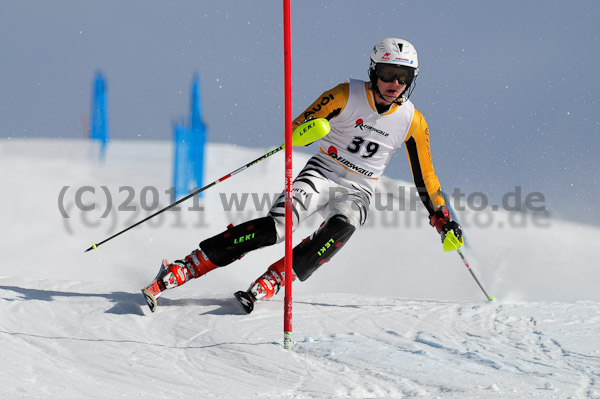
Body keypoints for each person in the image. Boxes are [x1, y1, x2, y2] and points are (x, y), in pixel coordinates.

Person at [142, 38, 463, 313]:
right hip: (322, 172)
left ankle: (278, 277)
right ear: (374, 72)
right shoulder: (344, 94)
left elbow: (426, 177)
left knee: (344, 226)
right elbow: (299, 127)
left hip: (359, 188)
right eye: (388, 74)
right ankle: (188, 266)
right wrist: (307, 131)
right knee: (278, 228)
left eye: (404, 77)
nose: (395, 83)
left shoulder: (412, 121)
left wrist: (442, 217)